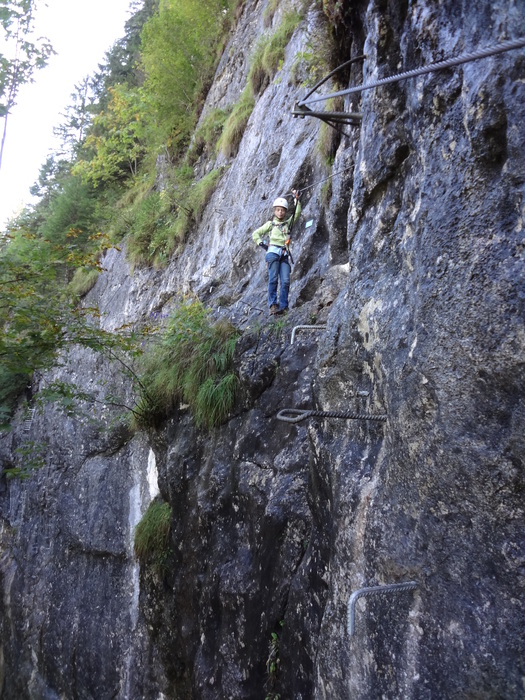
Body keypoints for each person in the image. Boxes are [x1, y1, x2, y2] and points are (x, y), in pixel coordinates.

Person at [251, 190, 301, 315]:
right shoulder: (270, 224)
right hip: (272, 253)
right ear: (274, 211)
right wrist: (262, 244)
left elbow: (297, 212)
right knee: (273, 279)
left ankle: (284, 306)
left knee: (285, 281)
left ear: (285, 211)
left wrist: (296, 199)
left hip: (284, 254)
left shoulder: (287, 224)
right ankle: (273, 305)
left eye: (282, 210)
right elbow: (255, 234)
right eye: (278, 210)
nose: (280, 212)